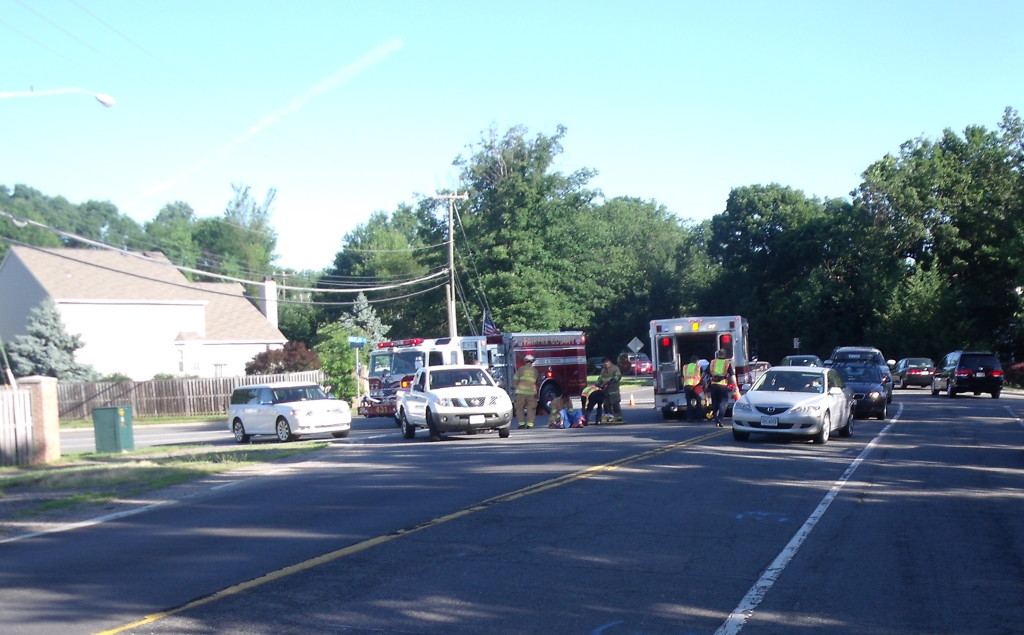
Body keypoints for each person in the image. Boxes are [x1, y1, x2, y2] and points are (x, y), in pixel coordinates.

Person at [708, 348, 735, 427]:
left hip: (713, 385)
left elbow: (705, 373)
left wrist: (703, 383)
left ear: (718, 355)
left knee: (715, 403)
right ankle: (720, 419)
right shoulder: (727, 363)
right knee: (723, 403)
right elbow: (732, 375)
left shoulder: (713, 362)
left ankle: (716, 420)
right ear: (725, 355)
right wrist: (735, 386)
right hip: (723, 385)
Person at [513, 354, 539, 428]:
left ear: (525, 362)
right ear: (532, 362)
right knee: (531, 409)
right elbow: (536, 382)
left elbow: (515, 379)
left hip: (520, 392)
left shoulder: (521, 369)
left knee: (519, 409)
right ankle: (530, 425)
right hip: (531, 393)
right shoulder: (535, 371)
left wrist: (516, 388)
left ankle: (521, 424)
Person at [598, 357, 623, 422]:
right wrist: (597, 384)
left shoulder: (615, 368)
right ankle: (609, 417)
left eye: (605, 363)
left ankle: (618, 417)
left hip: (614, 390)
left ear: (609, 362)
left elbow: (618, 376)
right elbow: (600, 379)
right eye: (603, 363)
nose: (604, 364)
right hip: (605, 391)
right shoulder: (603, 370)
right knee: (606, 406)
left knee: (615, 405)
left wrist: (614, 379)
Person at [681, 355, 705, 422]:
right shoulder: (698, 367)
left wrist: (683, 386)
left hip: (687, 386)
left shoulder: (685, 367)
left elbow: (683, 378)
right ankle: (699, 418)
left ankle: (690, 418)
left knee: (689, 403)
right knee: (698, 402)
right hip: (696, 386)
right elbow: (702, 378)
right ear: (697, 361)